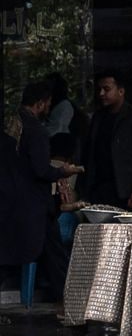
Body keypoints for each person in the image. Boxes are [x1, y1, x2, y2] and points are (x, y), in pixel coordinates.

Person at [0, 82, 84, 304]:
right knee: (55, 255)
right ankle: (70, 302)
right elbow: (41, 170)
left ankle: (68, 300)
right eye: (47, 103)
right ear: (40, 103)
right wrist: (63, 171)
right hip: (33, 205)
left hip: (11, 201)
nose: (48, 108)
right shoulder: (35, 130)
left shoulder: (10, 125)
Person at [79, 70, 132, 211]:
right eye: (99, 89)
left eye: (107, 89)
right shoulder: (98, 118)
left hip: (127, 192)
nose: (101, 94)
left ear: (121, 91)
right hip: (100, 190)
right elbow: (89, 154)